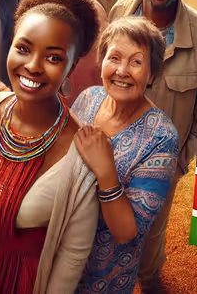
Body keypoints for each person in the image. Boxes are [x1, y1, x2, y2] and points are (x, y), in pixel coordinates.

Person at [0, 0, 102, 294]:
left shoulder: (81, 153)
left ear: (71, 67)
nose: (33, 66)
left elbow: (72, 254)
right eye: (23, 49)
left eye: (53, 58)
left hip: (15, 283)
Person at [107, 0, 197, 293]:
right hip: (108, 153)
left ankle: (149, 279)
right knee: (100, 225)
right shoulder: (118, 13)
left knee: (150, 233)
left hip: (162, 166)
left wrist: (177, 160)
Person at [72, 17, 179, 294]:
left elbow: (126, 232)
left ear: (152, 73)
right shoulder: (87, 99)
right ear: (102, 60)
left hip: (104, 277)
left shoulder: (161, 137)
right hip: (61, 259)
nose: (122, 70)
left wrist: (106, 171)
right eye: (114, 57)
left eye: (136, 62)